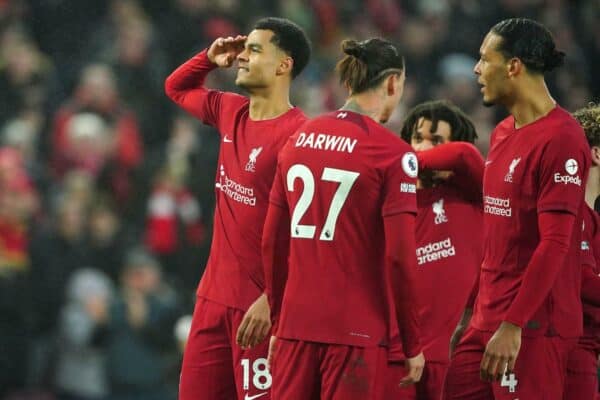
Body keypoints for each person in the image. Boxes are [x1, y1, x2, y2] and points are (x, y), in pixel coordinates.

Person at [262, 38, 424, 400]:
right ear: (394, 82)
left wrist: (278, 323)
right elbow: (400, 257)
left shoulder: (297, 139)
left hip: (295, 327)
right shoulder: (392, 154)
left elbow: (272, 241)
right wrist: (412, 343)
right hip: (356, 332)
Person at [443, 18, 591, 400]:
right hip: (487, 320)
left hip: (532, 327)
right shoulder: (504, 132)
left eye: (484, 59)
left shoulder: (561, 138)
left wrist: (514, 324)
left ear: (513, 66)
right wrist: (472, 313)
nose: (476, 69)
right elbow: (498, 237)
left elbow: (555, 243)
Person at [164, 17, 311, 400]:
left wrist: (272, 300)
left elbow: (308, 233)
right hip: (212, 299)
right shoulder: (231, 111)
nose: (243, 56)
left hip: (260, 310)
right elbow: (176, 88)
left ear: (284, 65)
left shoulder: (301, 137)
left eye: (255, 49)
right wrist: (209, 59)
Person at [387, 100, 484, 400]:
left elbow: (465, 155)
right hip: (393, 354)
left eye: (436, 140)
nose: (424, 147)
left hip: (447, 358)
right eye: (417, 138)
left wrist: (403, 160)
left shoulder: (469, 191)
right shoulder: (392, 200)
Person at [563, 104, 600, 400]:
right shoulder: (571, 212)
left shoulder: (592, 217)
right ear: (597, 154)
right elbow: (584, 282)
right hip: (570, 351)